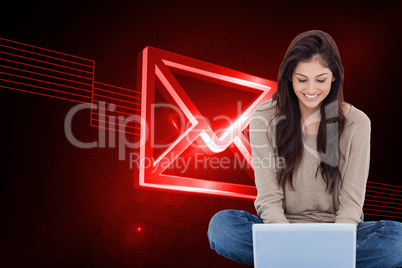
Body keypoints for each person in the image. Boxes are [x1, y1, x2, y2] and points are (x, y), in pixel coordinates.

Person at [207, 30, 402, 267]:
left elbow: (352, 203)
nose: (311, 89)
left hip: (338, 231)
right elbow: (268, 196)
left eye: (320, 79)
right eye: (302, 79)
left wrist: (337, 242)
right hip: (279, 228)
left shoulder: (357, 122)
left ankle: (293, 261)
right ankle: (322, 261)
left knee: (396, 240)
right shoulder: (264, 116)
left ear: (334, 77)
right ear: (289, 76)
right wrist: (285, 239)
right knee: (222, 227)